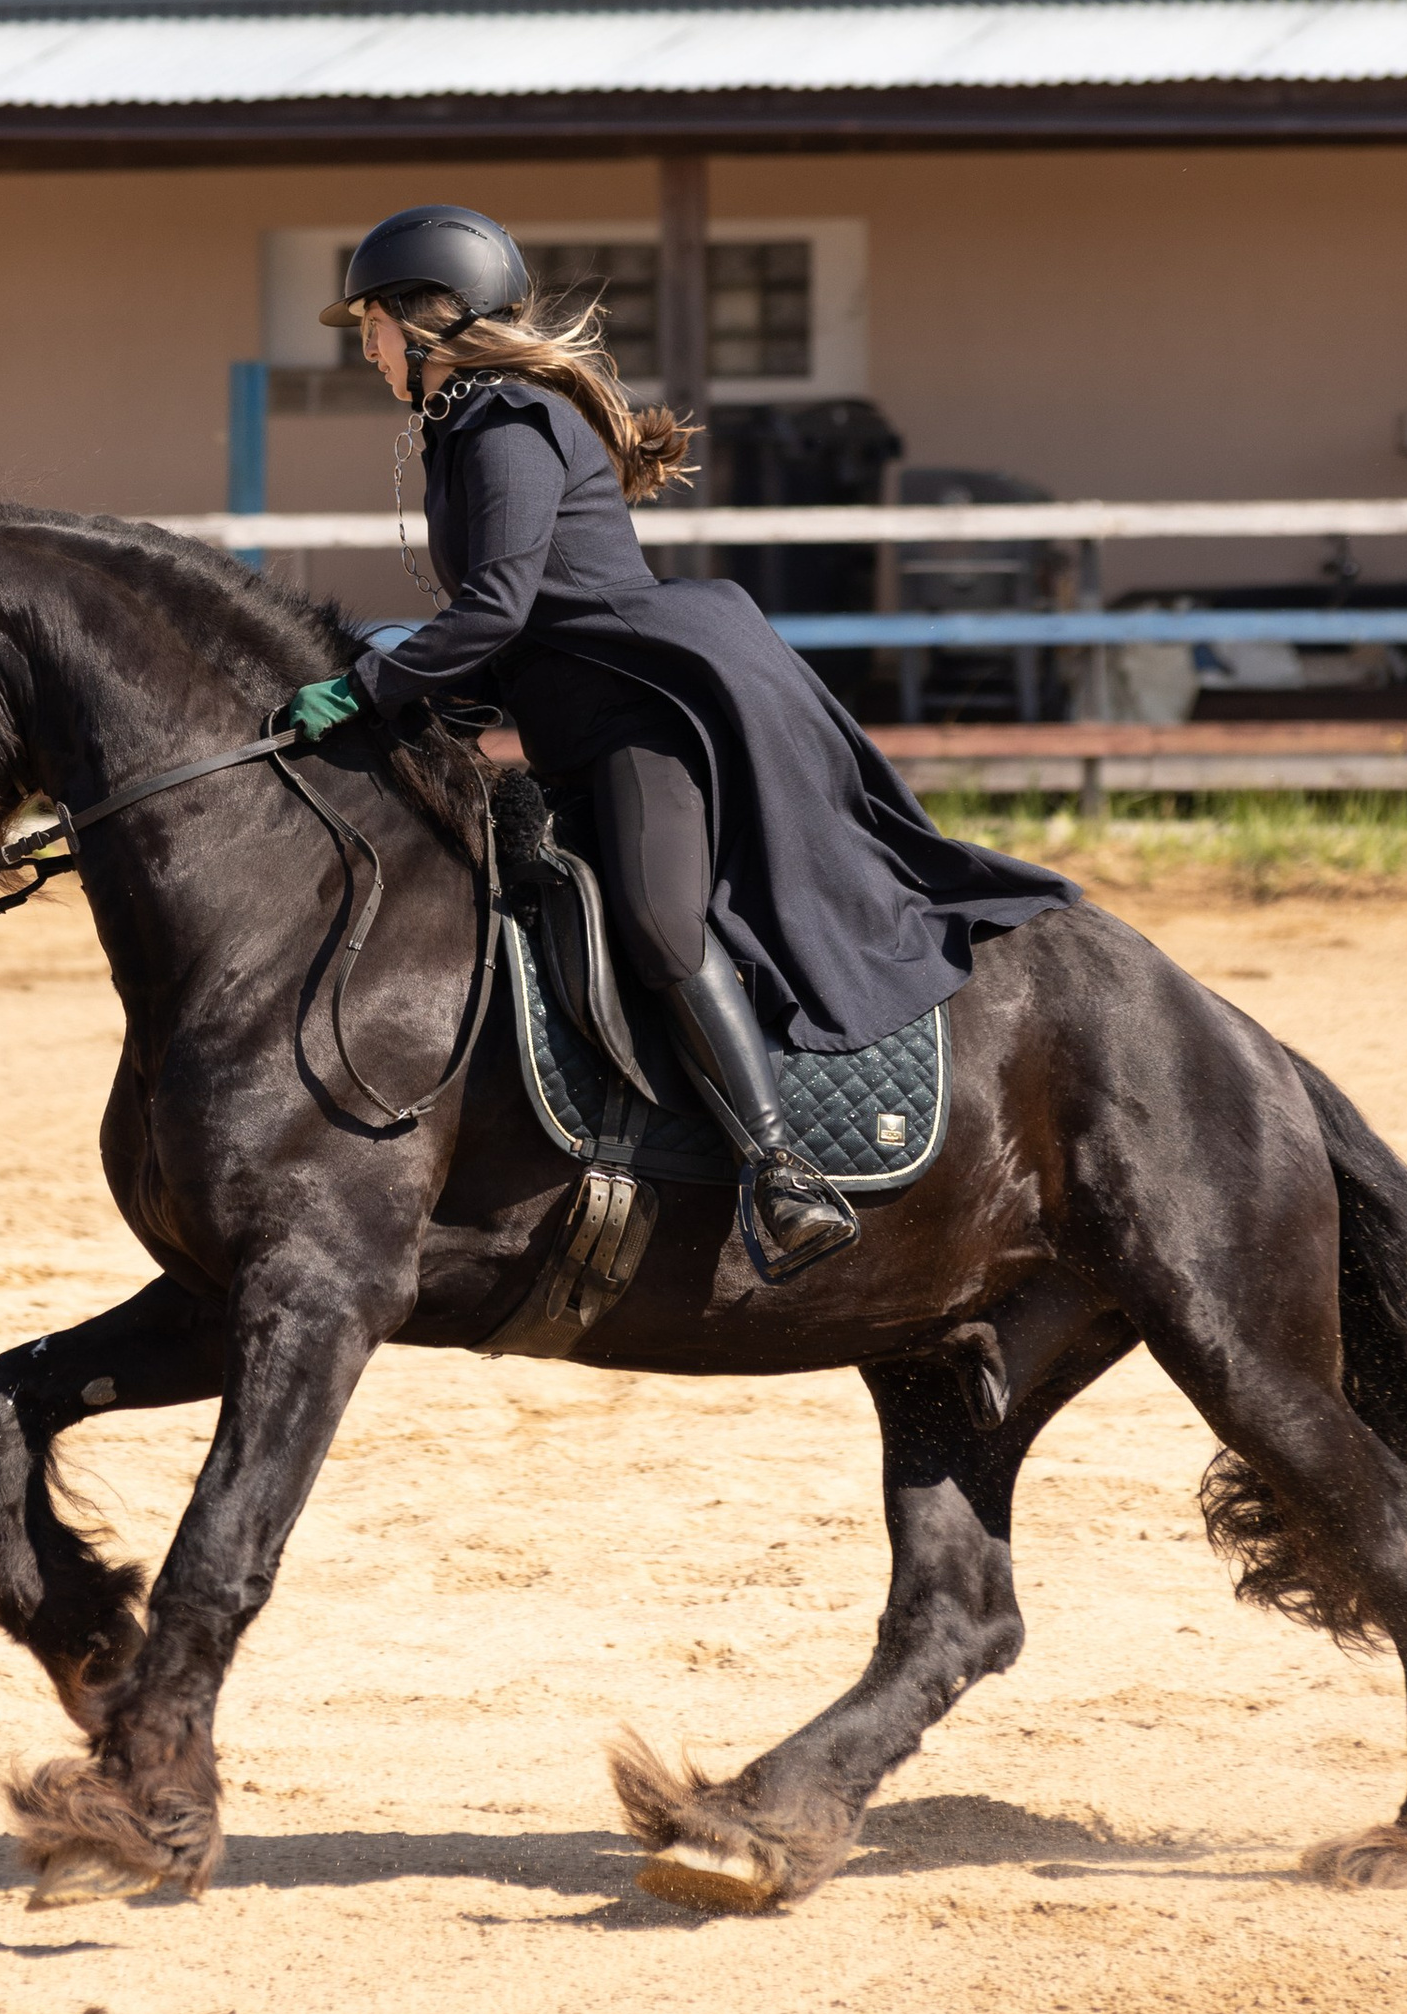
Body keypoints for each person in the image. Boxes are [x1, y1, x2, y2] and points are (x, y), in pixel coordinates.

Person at [282, 203, 1076, 1279]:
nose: (365, 347)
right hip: (571, 708)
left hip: (645, 707)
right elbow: (506, 626)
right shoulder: (461, 426)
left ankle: (775, 1167)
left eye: (370, 324)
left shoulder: (507, 421)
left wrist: (368, 685)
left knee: (658, 926)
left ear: (428, 322)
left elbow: (500, 607)